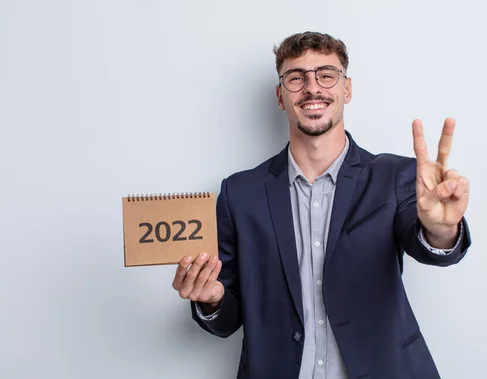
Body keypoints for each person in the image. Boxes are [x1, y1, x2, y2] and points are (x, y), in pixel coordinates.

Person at [172, 31, 471, 379]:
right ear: (280, 96)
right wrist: (211, 300)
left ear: (347, 89)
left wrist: (441, 228)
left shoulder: (395, 176)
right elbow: (227, 316)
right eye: (296, 78)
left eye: (326, 74)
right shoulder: (240, 193)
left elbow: (427, 244)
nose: (312, 87)